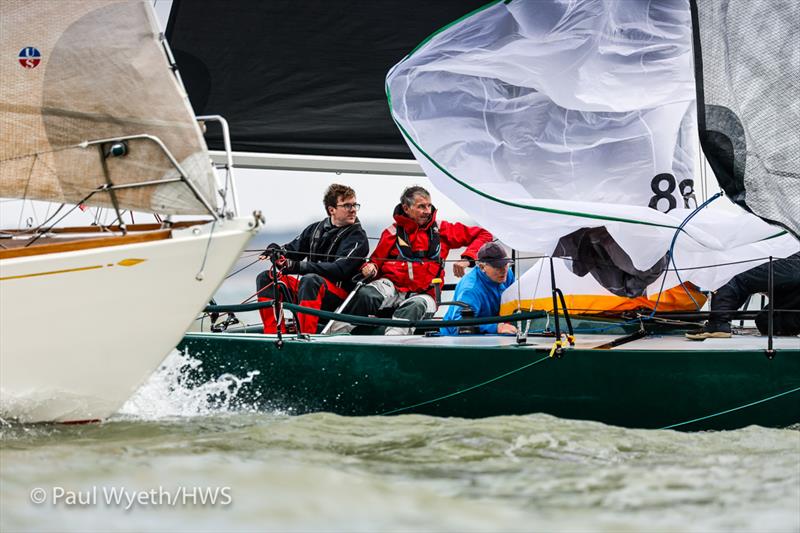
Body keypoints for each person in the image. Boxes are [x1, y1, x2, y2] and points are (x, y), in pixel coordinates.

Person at [329, 186, 493, 335]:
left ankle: (392, 343)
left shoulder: (442, 229)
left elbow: (484, 235)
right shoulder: (391, 233)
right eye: (421, 206)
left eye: (429, 206)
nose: (427, 211)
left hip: (425, 294)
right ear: (406, 209)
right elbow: (375, 262)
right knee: (367, 295)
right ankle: (331, 336)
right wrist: (369, 267)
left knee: (414, 307)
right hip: (392, 288)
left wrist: (467, 259)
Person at [255, 184, 369, 334]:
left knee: (310, 280)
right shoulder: (315, 229)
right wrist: (275, 250)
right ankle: (274, 334)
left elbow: (340, 270)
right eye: (347, 205)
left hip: (339, 297)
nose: (353, 209)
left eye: (355, 205)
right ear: (331, 209)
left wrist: (298, 266)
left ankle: (305, 336)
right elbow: (291, 252)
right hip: (310, 290)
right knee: (266, 277)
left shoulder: (357, 237)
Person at [686, 252, 800, 340]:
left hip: (792, 260)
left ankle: (718, 324)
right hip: (792, 259)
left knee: (732, 275)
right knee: (765, 322)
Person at [440, 242, 517, 336]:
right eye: (497, 266)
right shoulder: (471, 290)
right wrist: (496, 327)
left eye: (505, 264)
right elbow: (459, 325)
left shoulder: (507, 274)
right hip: (455, 338)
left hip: (493, 331)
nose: (503, 270)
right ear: (482, 267)